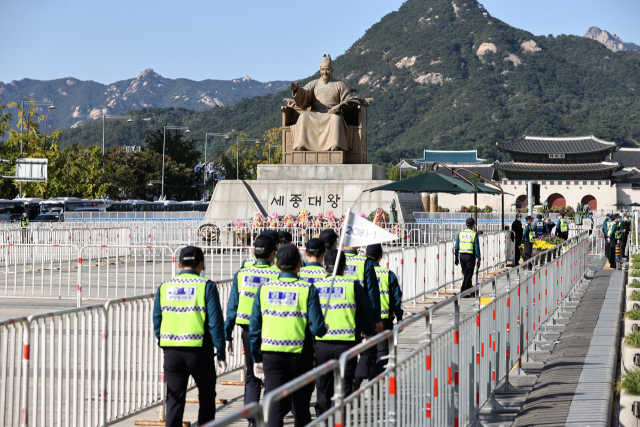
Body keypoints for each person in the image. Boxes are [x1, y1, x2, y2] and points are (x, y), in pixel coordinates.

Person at [249, 244, 328, 427]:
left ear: (276, 265)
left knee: (274, 407)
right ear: (300, 264)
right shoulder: (308, 289)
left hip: (271, 355)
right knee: (300, 407)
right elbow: (316, 329)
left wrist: (256, 358)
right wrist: (324, 328)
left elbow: (254, 328)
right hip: (300, 356)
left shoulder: (264, 289)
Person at [153, 246, 226, 427]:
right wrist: (221, 351)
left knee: (175, 400)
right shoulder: (207, 287)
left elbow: (157, 320)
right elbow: (215, 324)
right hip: (200, 352)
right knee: (207, 397)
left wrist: (163, 342)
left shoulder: (165, 287)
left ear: (179, 264)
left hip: (172, 352)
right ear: (202, 264)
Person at [224, 236, 279, 426]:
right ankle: (271, 416)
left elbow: (232, 306)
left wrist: (227, 334)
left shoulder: (242, 274)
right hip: (273, 330)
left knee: (251, 374)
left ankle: (251, 418)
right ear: (274, 253)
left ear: (254, 252)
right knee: (271, 374)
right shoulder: (277, 274)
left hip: (247, 331)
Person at [313, 249, 375, 417]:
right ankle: (339, 418)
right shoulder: (353, 285)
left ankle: (325, 417)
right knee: (345, 384)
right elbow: (367, 311)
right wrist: (368, 332)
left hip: (321, 345)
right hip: (346, 344)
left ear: (324, 266)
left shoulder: (315, 287)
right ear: (344, 267)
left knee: (323, 385)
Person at [343, 244, 383, 389]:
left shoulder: (335, 261)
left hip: (339, 315)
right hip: (359, 315)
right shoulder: (364, 263)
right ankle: (356, 382)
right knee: (367, 350)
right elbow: (373, 294)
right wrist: (376, 318)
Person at [365, 243, 404, 377]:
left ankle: (369, 376)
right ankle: (376, 380)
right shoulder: (388, 275)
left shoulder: (363, 273)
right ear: (381, 256)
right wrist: (399, 318)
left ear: (365, 255)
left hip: (367, 319)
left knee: (368, 352)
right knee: (382, 352)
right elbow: (396, 299)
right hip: (384, 319)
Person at [454, 218, 482, 296]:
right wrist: (479, 259)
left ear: (466, 224)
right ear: (473, 225)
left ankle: (470, 291)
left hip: (462, 256)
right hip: (470, 256)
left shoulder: (460, 233)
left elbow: (456, 247)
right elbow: (476, 247)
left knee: (466, 274)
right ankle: (463, 291)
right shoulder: (474, 234)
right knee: (468, 274)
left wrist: (456, 257)